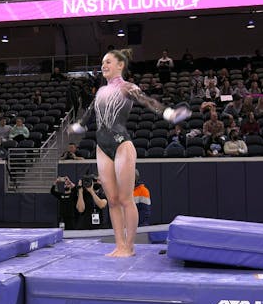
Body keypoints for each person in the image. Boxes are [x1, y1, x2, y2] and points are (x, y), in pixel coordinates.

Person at [68, 48, 190, 256]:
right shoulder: (100, 92)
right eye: (102, 62)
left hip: (122, 144)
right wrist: (79, 125)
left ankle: (130, 246)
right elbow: (89, 113)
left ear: (120, 65)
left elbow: (147, 101)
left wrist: (168, 113)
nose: (103, 65)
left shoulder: (127, 87)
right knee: (112, 200)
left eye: (108, 62)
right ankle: (119, 245)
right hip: (102, 146)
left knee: (126, 199)